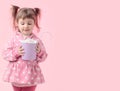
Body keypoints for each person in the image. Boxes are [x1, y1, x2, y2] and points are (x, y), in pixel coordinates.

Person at [2, 5, 48, 91]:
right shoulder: (14, 39)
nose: (26, 26)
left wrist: (39, 52)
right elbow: (5, 54)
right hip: (16, 75)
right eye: (22, 23)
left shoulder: (36, 40)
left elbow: (44, 56)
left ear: (34, 23)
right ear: (17, 23)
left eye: (29, 23)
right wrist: (16, 52)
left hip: (31, 76)